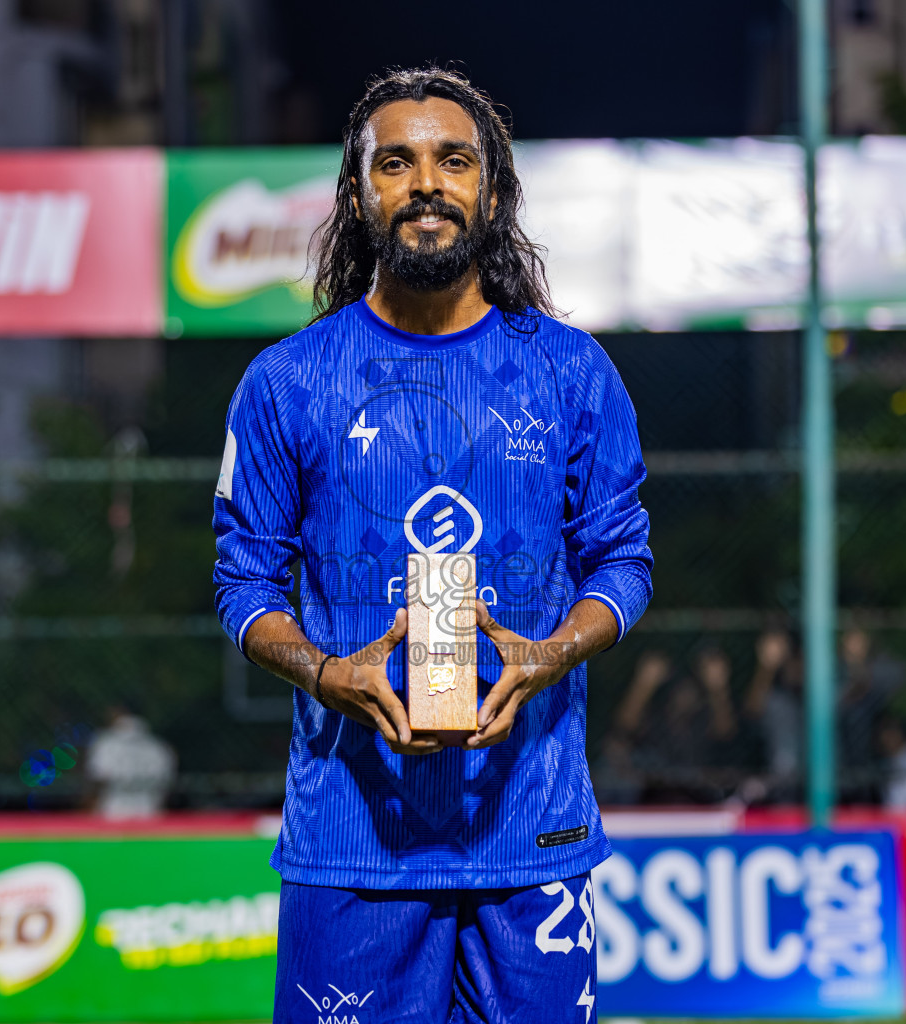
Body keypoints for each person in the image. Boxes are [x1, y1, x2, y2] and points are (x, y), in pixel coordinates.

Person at [211, 68, 652, 1023]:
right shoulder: (287, 383)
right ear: (358, 191)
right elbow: (244, 581)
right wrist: (327, 673)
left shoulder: (570, 372)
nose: (426, 184)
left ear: (491, 192)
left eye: (454, 161)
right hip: (352, 841)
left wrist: (552, 651)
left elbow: (623, 560)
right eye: (396, 162)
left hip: (531, 830)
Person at [603, 647, 753, 803]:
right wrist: (644, 683)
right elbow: (624, 726)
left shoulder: (705, 717)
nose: (685, 696)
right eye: (680, 690)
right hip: (654, 792)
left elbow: (726, 732)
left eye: (690, 690)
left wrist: (717, 688)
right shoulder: (657, 715)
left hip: (702, 793)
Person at [837, 627, 906, 802]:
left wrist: (860, 667)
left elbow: (898, 681)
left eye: (860, 641)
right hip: (841, 761)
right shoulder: (833, 671)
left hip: (873, 761)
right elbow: (843, 700)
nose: (855, 646)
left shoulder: (879, 669)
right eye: (851, 641)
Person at [743, 627, 802, 801]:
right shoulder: (775, 697)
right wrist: (767, 666)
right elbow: (752, 710)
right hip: (780, 781)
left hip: (821, 776)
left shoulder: (822, 692)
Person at [86, 707, 175, 819]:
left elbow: (98, 778)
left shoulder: (106, 743)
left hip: (113, 807)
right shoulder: (158, 746)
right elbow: (166, 782)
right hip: (148, 807)